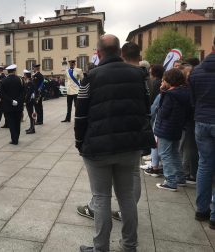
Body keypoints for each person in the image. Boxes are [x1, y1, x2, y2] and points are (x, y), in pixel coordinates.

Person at [75, 35, 155, 252]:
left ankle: (100, 248)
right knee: (127, 197)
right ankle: (129, 245)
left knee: (101, 198)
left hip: (98, 148)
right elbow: (146, 110)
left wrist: (80, 143)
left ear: (98, 53)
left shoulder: (90, 77)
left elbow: (80, 115)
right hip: (129, 145)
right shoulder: (139, 75)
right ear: (120, 52)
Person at [190, 37, 215, 229]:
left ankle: (201, 209)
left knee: (205, 165)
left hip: (202, 121)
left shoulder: (196, 71)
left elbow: (193, 99)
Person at [154, 68, 192, 191]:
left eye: (164, 80)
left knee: (165, 154)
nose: (162, 82)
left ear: (169, 80)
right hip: (177, 127)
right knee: (175, 153)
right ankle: (180, 178)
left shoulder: (169, 95)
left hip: (166, 128)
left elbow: (163, 113)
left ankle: (170, 181)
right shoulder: (185, 92)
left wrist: (162, 95)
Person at [0, 64, 25, 145]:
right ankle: (16, 138)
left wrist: (11, 101)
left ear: (8, 71)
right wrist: (17, 101)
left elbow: (2, 94)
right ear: (14, 71)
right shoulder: (20, 80)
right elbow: (23, 92)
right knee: (17, 123)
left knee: (11, 123)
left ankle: (14, 140)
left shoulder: (3, 81)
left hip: (8, 106)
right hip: (18, 106)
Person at [23, 69, 36, 134]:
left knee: (31, 115)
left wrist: (25, 100)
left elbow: (29, 93)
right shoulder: (28, 81)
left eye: (24, 75)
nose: (24, 76)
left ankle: (32, 128)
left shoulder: (30, 82)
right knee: (30, 114)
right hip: (29, 101)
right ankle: (31, 127)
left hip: (30, 101)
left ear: (27, 75)